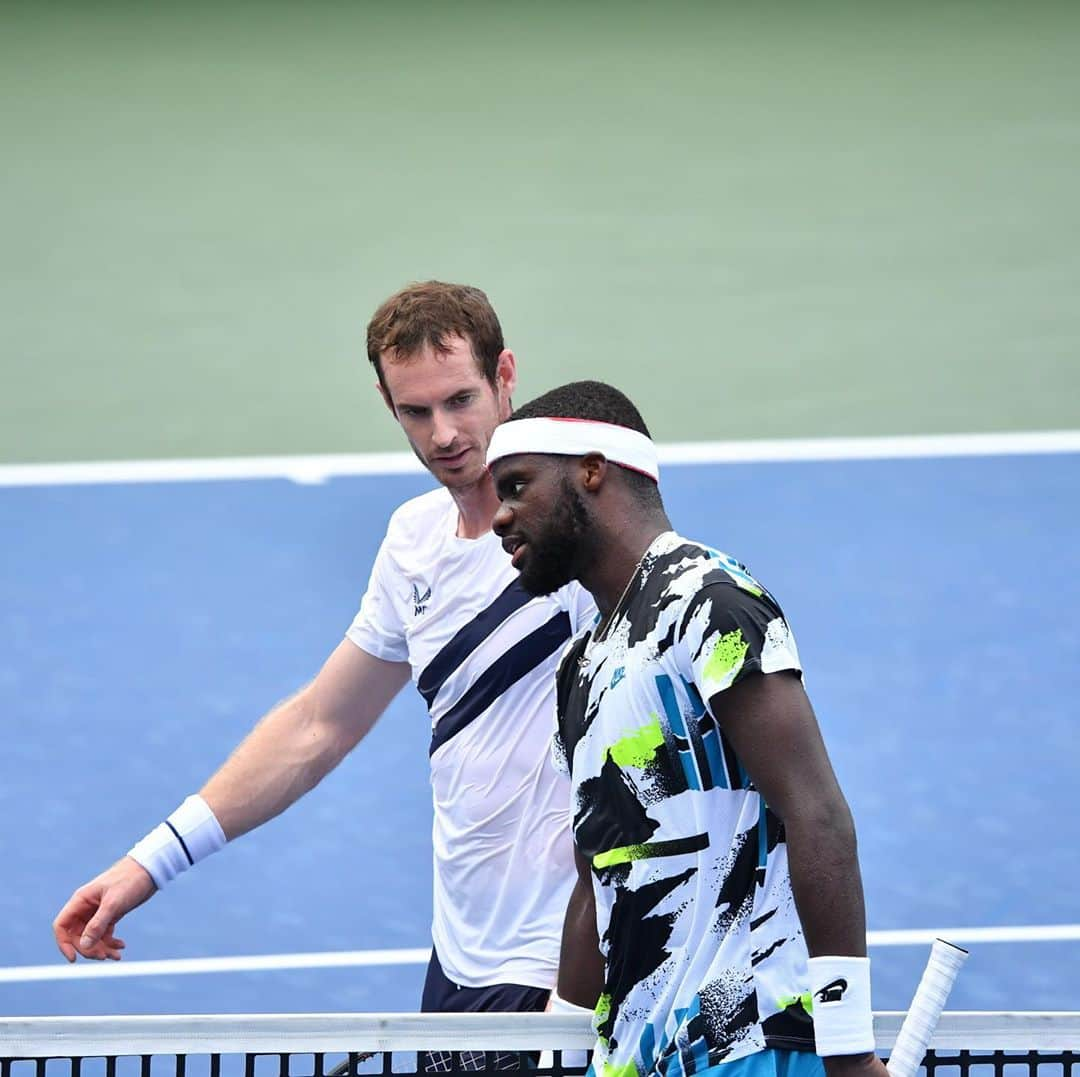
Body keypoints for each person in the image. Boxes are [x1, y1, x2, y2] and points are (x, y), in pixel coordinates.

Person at [52, 283, 597, 1036]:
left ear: (506, 375)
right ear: (387, 403)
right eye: (416, 411)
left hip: (566, 969)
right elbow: (319, 723)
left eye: (461, 399)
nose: (443, 433)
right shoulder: (414, 542)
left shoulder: (577, 530)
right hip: (464, 961)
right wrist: (149, 862)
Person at [486, 381, 889, 1077]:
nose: (498, 516)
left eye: (518, 485)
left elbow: (818, 813)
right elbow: (595, 877)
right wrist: (557, 1052)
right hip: (638, 1061)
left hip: (748, 1044)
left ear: (590, 469)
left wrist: (849, 1052)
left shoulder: (709, 602)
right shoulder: (579, 667)